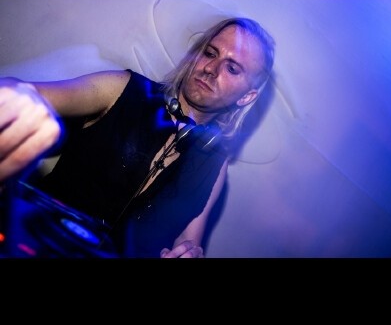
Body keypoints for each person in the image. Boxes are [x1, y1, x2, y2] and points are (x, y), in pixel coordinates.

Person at [0, 17, 275, 258]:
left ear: (247, 96)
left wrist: (188, 253)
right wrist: (19, 97)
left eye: (232, 68)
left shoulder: (214, 163)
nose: (211, 69)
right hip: (36, 241)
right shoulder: (121, 89)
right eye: (210, 53)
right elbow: (27, 92)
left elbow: (188, 242)